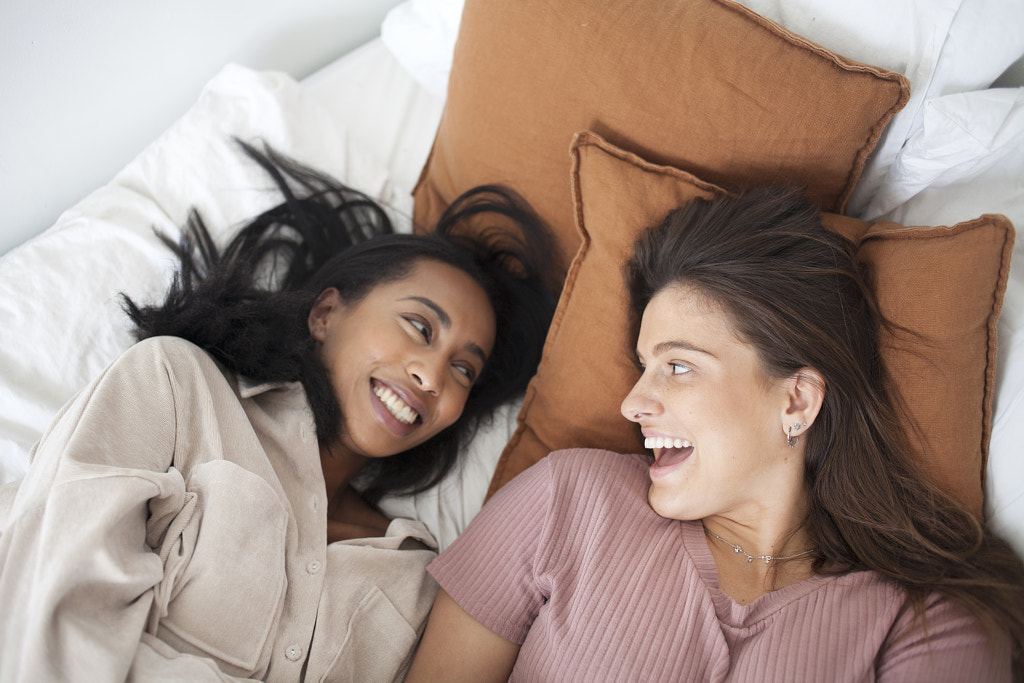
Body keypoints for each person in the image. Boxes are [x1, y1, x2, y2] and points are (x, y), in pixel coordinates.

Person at [405, 187, 1024, 682]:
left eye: (677, 366)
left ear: (797, 399)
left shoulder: (922, 622)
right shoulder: (565, 500)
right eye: (644, 366)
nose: (633, 402)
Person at [0, 141, 558, 682]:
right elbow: (51, 610)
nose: (432, 376)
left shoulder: (414, 579)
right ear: (326, 314)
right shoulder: (174, 386)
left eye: (464, 369)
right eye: (419, 326)